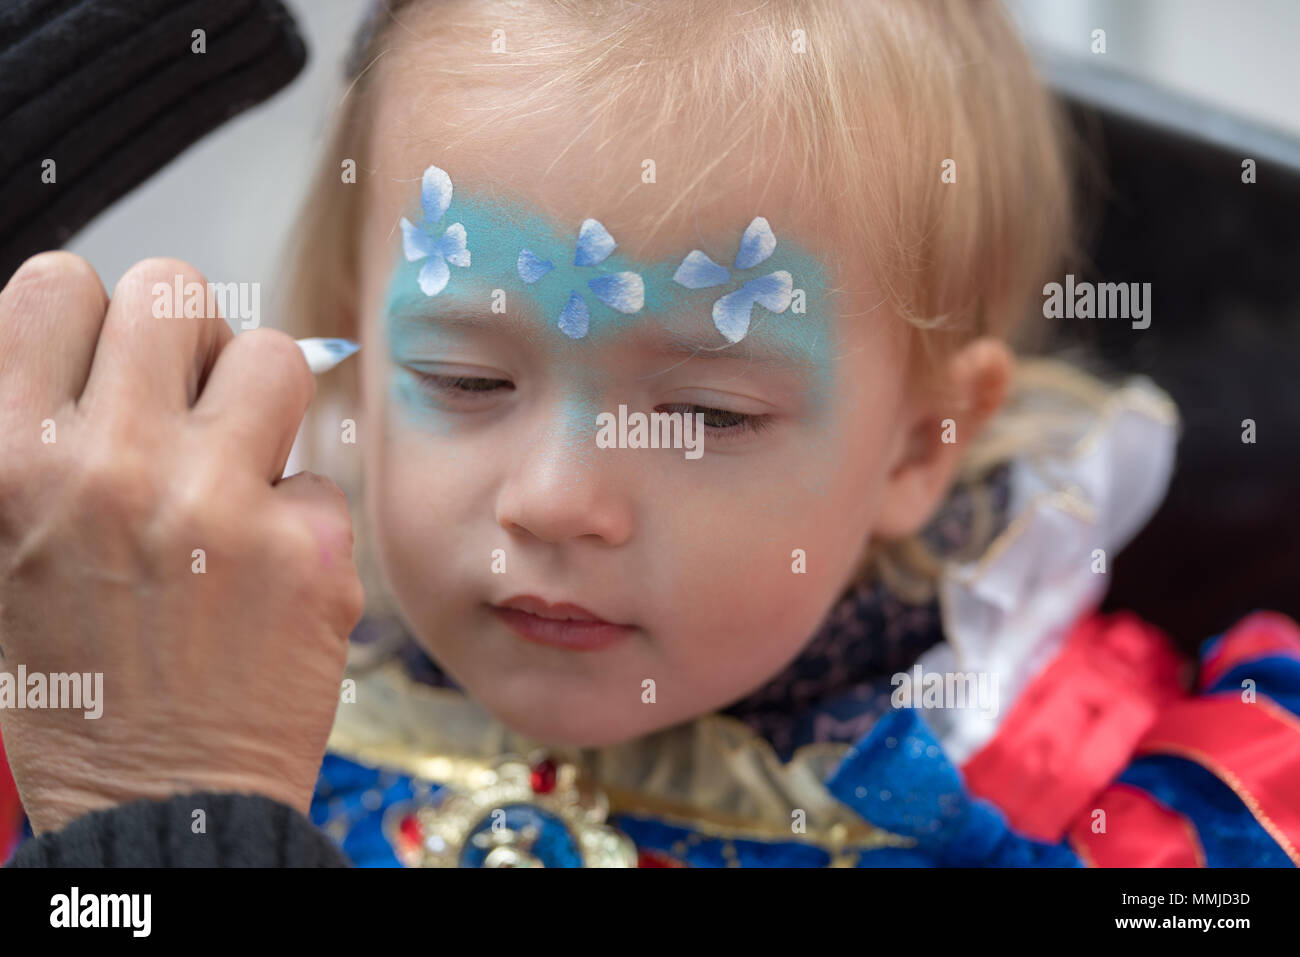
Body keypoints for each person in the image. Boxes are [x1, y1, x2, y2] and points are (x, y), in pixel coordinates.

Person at [3, 0, 1299, 868]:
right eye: (461, 378)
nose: (557, 499)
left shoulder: (1099, 798)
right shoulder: (141, 670)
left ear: (921, 443)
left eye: (702, 411)